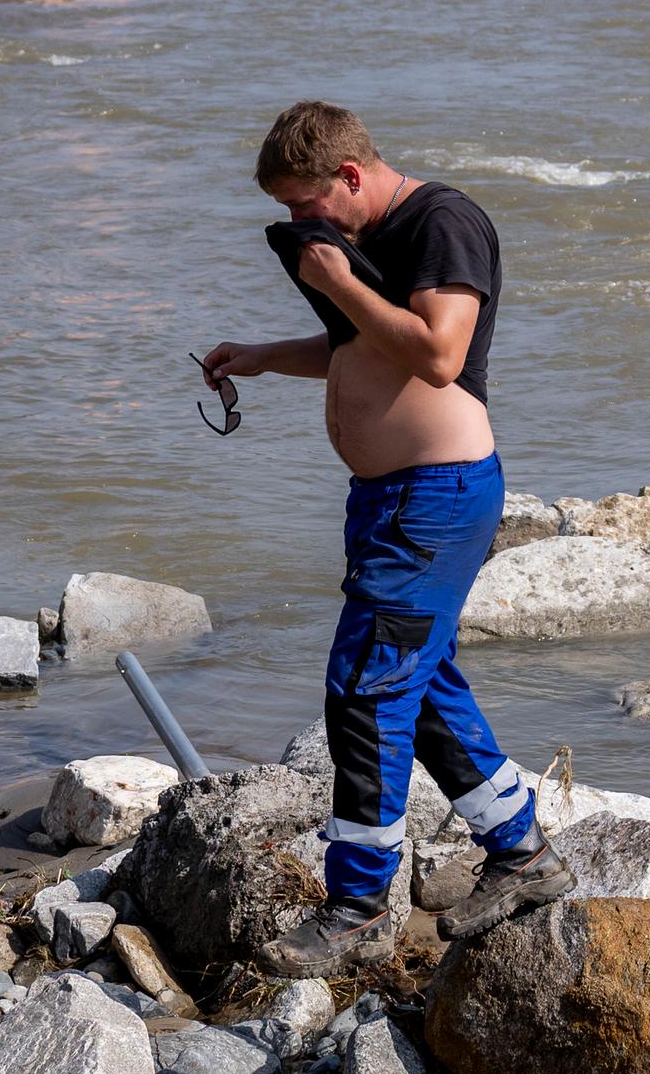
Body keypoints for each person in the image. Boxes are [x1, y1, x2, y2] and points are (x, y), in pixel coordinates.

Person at [199, 102, 568, 970]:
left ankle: (360, 903)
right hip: (392, 501)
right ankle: (524, 855)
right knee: (420, 682)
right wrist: (261, 353)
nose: (298, 226)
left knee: (364, 692)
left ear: (352, 176)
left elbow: (438, 354)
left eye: (307, 206)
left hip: (435, 501)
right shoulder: (359, 246)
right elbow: (363, 349)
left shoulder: (445, 223)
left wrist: (334, 281)